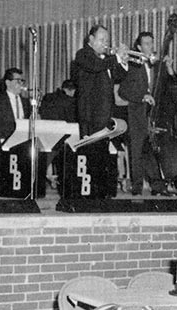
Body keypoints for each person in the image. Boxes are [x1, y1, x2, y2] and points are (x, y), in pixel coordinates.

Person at [69, 24, 128, 198]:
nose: (105, 43)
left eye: (107, 40)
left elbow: (118, 76)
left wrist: (123, 62)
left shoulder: (104, 60)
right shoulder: (83, 54)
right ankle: (90, 193)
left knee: (100, 154)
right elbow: (95, 66)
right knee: (91, 154)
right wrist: (116, 57)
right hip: (90, 114)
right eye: (101, 40)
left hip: (104, 114)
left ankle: (99, 192)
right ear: (91, 40)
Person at [118, 31, 177, 196]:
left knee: (151, 152)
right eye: (146, 44)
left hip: (155, 115)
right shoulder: (132, 65)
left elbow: (172, 84)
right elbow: (123, 91)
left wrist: (169, 68)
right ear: (138, 47)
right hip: (137, 113)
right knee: (137, 152)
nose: (150, 47)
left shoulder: (157, 65)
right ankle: (136, 188)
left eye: (151, 43)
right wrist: (142, 96)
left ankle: (158, 187)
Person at [0, 67, 31, 195]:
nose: (21, 84)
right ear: (8, 82)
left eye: (22, 81)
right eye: (18, 81)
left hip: (23, 140)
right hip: (4, 138)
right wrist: (10, 137)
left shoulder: (26, 102)